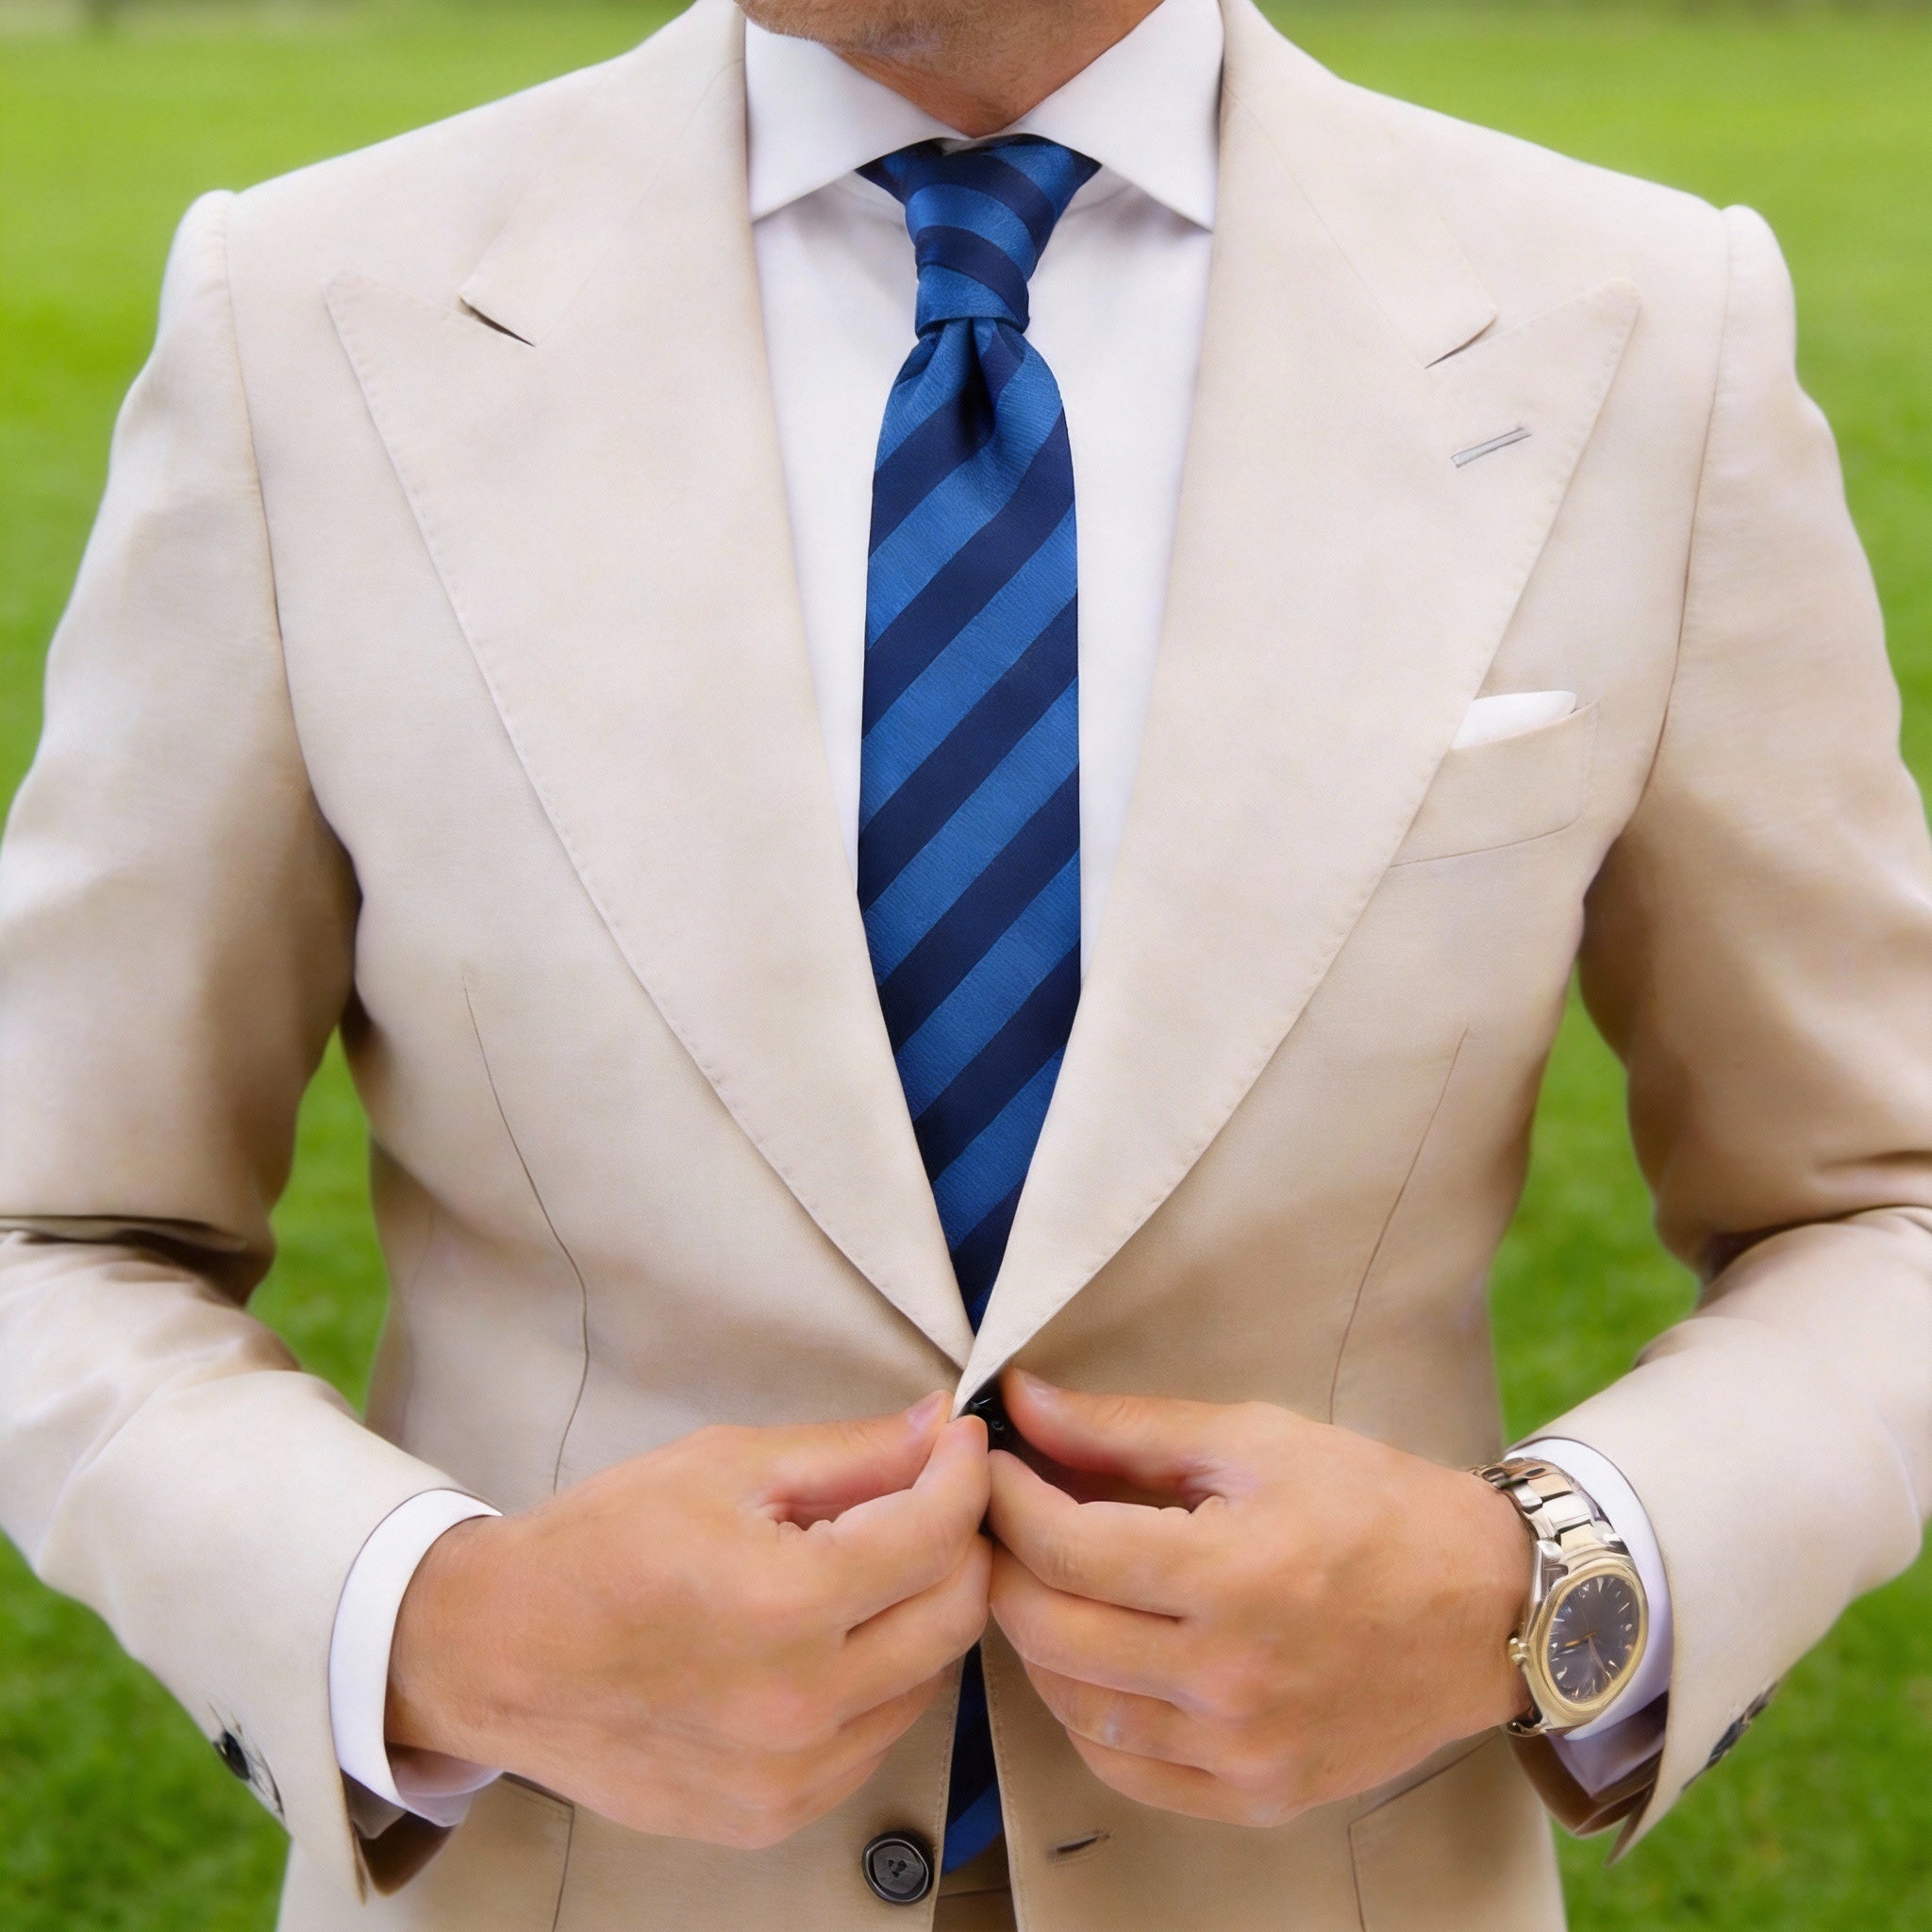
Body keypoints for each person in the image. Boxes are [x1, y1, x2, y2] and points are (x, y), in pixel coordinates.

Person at [2, 0, 1928, 1924]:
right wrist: (439, 1624)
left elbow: (1880, 1203)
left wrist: (1542, 1592)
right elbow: (53, 1229)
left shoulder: (1643, 325)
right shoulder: (308, 311)